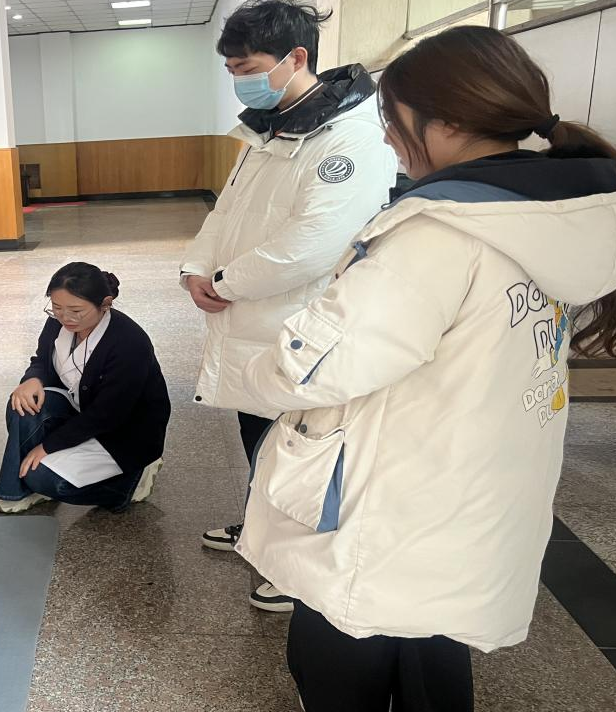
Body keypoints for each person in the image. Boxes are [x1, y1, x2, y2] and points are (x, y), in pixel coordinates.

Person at [232, 26, 616, 711]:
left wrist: (247, 373)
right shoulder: (552, 216)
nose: (389, 137)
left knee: (340, 653)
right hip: (477, 485)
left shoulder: (438, 234)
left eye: (395, 119)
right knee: (432, 650)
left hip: (396, 498)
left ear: (451, 123)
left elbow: (319, 364)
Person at [179, 0, 397, 613]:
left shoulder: (352, 134)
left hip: (302, 320)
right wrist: (195, 269)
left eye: (247, 67)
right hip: (253, 316)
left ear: (296, 57)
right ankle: (260, 530)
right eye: (231, 70)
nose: (238, 80)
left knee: (306, 446)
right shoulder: (267, 129)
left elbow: (314, 243)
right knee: (260, 431)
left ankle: (298, 566)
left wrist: (226, 283)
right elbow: (226, 211)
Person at [0, 263, 171, 514]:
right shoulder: (57, 323)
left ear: (105, 304)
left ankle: (129, 483)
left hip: (121, 432)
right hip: (79, 410)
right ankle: (19, 491)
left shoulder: (129, 342)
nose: (66, 317)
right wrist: (32, 378)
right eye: (57, 307)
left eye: (76, 310)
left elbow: (108, 414)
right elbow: (41, 360)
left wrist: (47, 447)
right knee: (22, 404)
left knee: (44, 477)